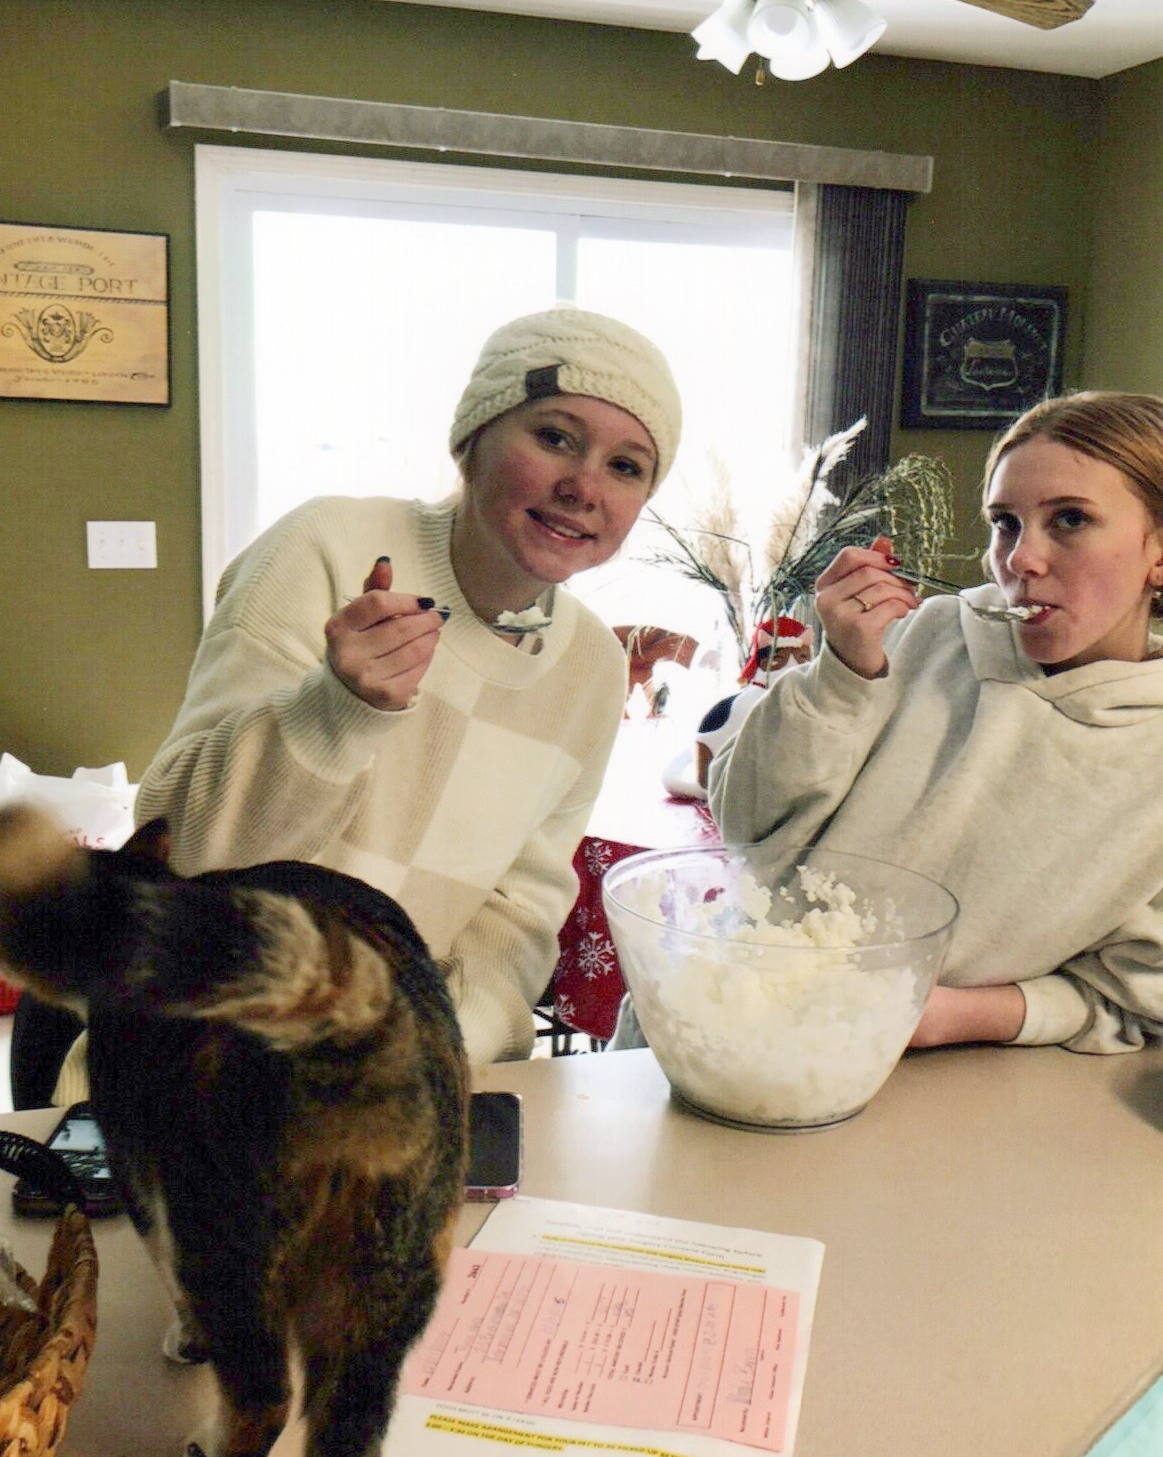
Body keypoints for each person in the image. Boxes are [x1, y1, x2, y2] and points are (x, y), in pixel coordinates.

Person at [13, 306, 682, 1104]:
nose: (584, 487)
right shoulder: (326, 547)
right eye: (555, 437)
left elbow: (517, 914)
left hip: (386, 1098)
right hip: (188, 1073)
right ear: (472, 437)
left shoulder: (591, 669)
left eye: (626, 466)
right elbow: (186, 847)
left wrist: (427, 1051)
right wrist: (333, 712)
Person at [710, 390, 1163, 1055]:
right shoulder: (919, 637)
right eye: (1004, 523)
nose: (1020, 558)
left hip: (949, 1083)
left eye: (1069, 519)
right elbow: (743, 822)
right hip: (724, 1013)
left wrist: (953, 1014)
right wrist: (841, 675)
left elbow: (1134, 995)